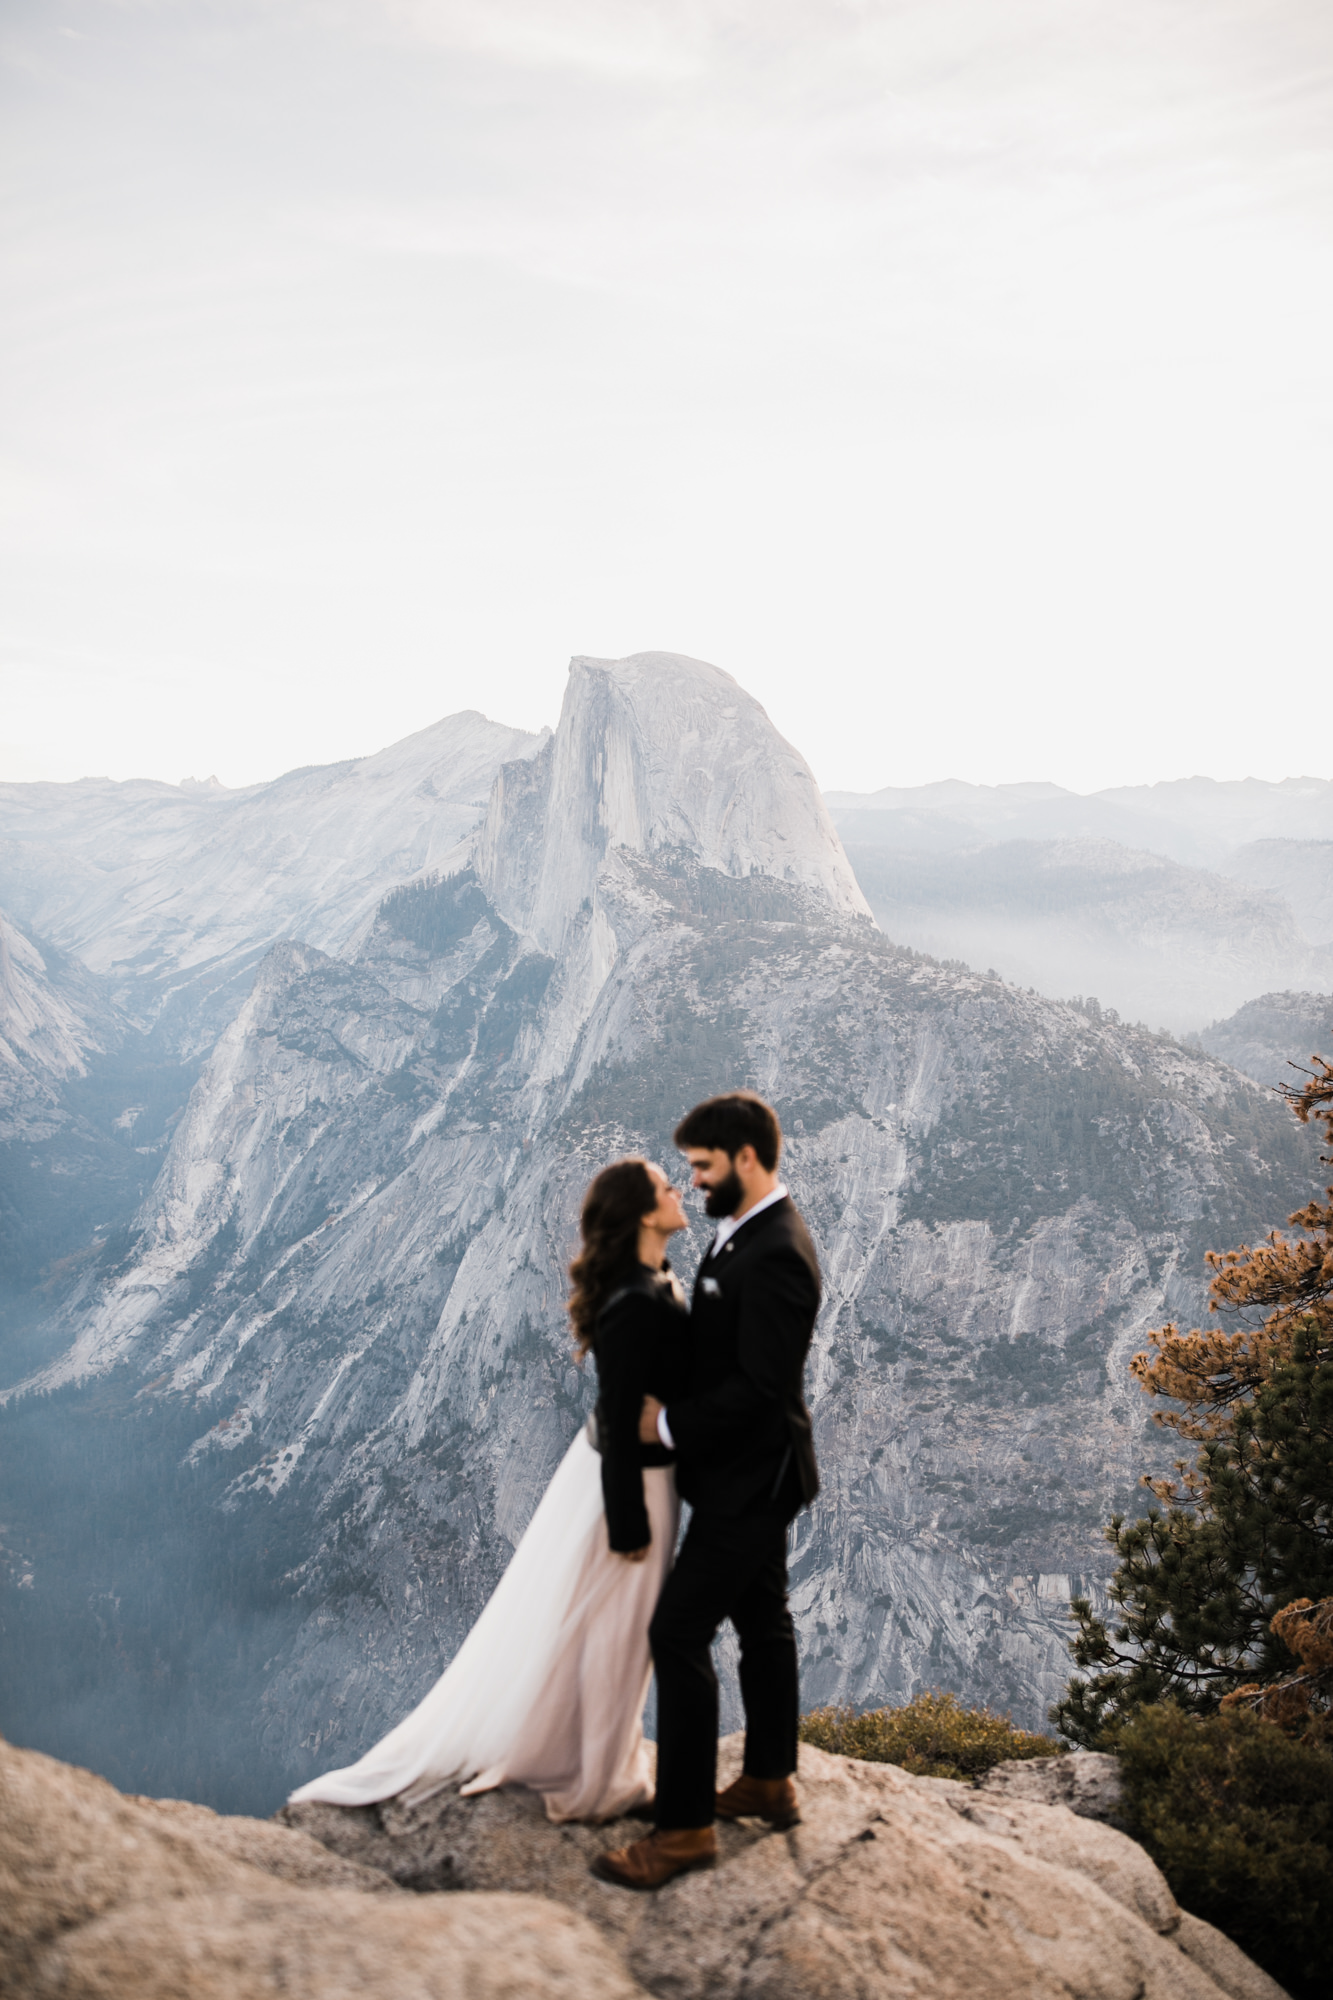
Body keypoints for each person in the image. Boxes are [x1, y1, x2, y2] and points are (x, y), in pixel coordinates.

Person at [287, 1157, 690, 1824]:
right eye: (665, 1186)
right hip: (630, 1482)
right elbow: (621, 1421)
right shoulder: (631, 1301)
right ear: (645, 1213)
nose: (679, 1190)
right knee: (618, 1629)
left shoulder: (649, 1283)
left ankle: (591, 1758)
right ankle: (597, 1782)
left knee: (618, 1627)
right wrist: (627, 1525)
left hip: (644, 1476)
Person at [594, 1092, 821, 1890]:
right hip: (742, 1477)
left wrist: (665, 1428)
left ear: (747, 1159)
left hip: (750, 1483)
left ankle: (684, 1830)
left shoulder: (778, 1252)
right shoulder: (740, 1237)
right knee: (763, 1622)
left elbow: (763, 1388)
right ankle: (768, 1779)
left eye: (702, 1166)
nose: (692, 1183)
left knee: (677, 1635)